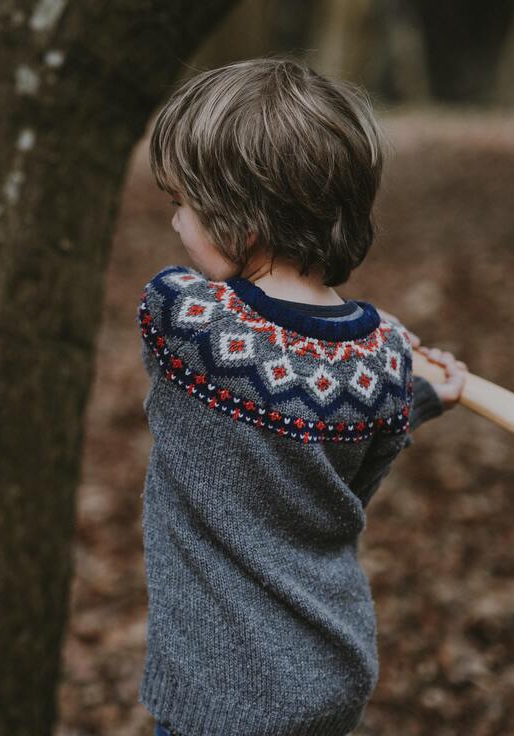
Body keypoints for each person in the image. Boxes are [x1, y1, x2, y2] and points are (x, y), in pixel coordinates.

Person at [137, 56, 468, 736]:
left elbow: (268, 368)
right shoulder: (382, 360)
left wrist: (413, 387)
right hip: (330, 672)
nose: (176, 225)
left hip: (222, 693)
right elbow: (355, 451)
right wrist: (422, 392)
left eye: (184, 205)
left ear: (243, 221)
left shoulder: (185, 321)